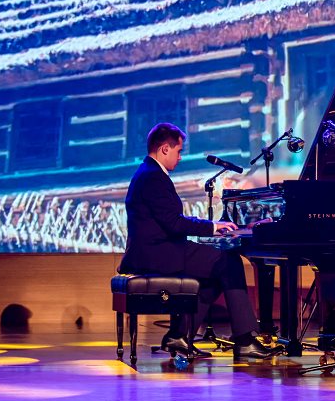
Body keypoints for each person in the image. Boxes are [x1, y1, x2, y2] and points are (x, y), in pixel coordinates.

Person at [120, 122, 280, 360]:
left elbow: (171, 220)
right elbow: (174, 223)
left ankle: (179, 336)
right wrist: (213, 227)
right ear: (164, 149)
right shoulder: (153, 177)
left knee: (216, 273)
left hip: (158, 249)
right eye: (178, 151)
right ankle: (245, 341)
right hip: (157, 253)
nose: (180, 157)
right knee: (229, 263)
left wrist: (211, 227)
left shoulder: (148, 173)